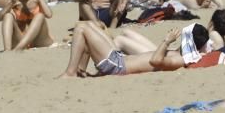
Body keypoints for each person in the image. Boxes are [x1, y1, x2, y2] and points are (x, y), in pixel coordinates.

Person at [61, 22, 212, 77]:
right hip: (118, 60)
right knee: (94, 25)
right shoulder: (180, 54)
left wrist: (166, 41)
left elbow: (156, 61)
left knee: (82, 27)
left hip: (116, 65)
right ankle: (79, 70)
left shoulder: (180, 59)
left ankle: (70, 72)